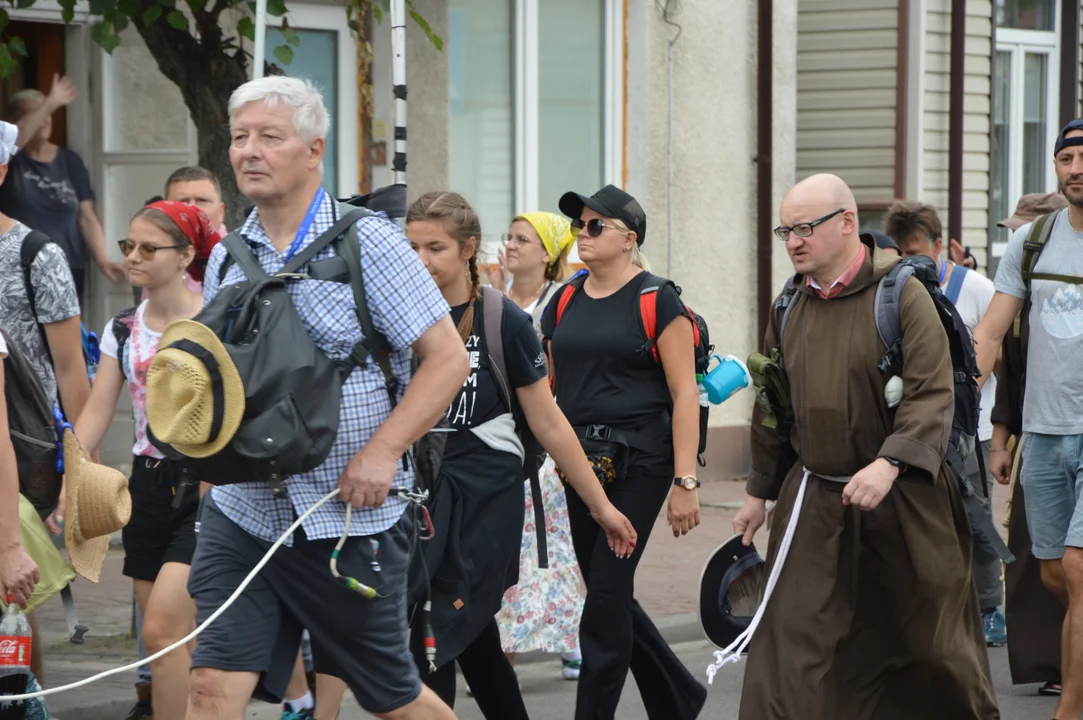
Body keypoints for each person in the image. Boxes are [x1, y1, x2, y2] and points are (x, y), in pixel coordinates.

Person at [182, 76, 468, 720]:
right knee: (208, 687)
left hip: (344, 518)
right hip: (244, 514)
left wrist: (383, 451)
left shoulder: (371, 243)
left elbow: (446, 360)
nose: (249, 151)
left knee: (390, 696)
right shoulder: (228, 258)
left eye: (269, 137)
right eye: (240, 137)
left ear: (314, 150)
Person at [731, 173, 998, 719]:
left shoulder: (901, 294)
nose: (794, 242)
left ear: (847, 223)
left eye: (805, 228)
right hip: (815, 501)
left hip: (905, 501)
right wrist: (759, 493)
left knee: (932, 652)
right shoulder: (788, 307)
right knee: (790, 649)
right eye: (786, 230)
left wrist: (890, 461)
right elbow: (773, 405)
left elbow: (932, 391)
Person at [391, 191, 634, 718]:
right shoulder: (398, 319)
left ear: (468, 249)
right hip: (418, 494)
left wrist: (601, 507)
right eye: (411, 248)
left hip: (485, 497)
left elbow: (548, 421)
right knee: (467, 637)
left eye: (435, 248)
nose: (421, 261)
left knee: (440, 625)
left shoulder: (502, 320)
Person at [539, 184, 708, 720]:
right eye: (578, 226)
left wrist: (686, 482)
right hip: (579, 463)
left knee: (606, 598)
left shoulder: (658, 300)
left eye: (595, 226)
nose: (582, 235)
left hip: (642, 462)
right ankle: (678, 697)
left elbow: (684, 395)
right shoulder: (563, 298)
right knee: (610, 592)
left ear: (629, 240)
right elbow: (548, 387)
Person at [71, 201, 215, 720]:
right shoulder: (123, 328)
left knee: (162, 628)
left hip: (206, 485)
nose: (133, 257)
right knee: (170, 642)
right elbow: (95, 413)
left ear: (185, 256)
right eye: (127, 246)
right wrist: (76, 473)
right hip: (145, 485)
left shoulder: (214, 318)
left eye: (148, 248)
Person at [974, 118, 1083, 720]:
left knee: (1077, 567)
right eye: (1066, 157)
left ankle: (1070, 705)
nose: (1076, 167)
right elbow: (991, 332)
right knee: (1051, 574)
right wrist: (958, 392)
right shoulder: (1032, 243)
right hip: (1042, 434)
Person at [884, 200, 1005, 646]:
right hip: (916, 432)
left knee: (977, 522)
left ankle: (990, 608)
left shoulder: (976, 288)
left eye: (916, 251)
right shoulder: (891, 290)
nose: (908, 261)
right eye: (899, 252)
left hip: (970, 431)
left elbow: (990, 354)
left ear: (940, 246)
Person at [491, 211, 584, 681]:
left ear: (547, 253)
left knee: (549, 547)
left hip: (544, 441)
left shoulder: (559, 301)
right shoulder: (495, 299)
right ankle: (505, 645)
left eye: (522, 239)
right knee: (511, 548)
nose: (510, 245)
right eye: (508, 237)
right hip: (501, 437)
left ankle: (569, 633)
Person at [989, 191, 1069, 696]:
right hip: (1031, 435)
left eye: (1020, 229)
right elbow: (1009, 378)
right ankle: (1050, 664)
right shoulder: (1014, 304)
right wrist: (999, 442)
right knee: (1032, 555)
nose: (1012, 239)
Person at [1, 76, 121, 303]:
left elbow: (87, 217)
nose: (46, 120)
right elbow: (14, 141)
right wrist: (50, 102)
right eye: (36, 114)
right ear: (14, 121)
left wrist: (103, 259)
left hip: (67, 266)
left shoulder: (69, 160)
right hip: (19, 268)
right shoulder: (10, 162)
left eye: (49, 114)